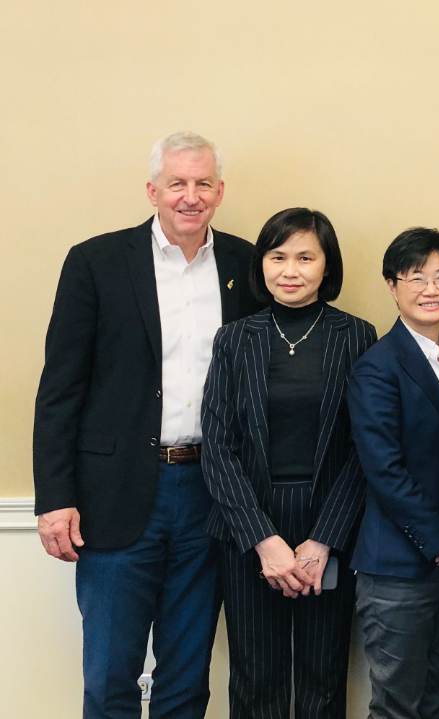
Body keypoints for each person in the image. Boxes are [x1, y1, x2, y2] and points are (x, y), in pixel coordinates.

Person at [32, 131, 260, 719]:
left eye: (203, 183)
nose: (191, 196)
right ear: (153, 190)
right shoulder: (96, 262)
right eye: (177, 183)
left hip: (210, 494)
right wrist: (54, 499)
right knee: (111, 673)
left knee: (187, 675)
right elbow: (60, 390)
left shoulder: (246, 264)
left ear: (220, 191)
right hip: (117, 494)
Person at [201, 207, 376, 718]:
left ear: (327, 265)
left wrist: (324, 539)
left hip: (329, 523)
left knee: (324, 676)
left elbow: (365, 447)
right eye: (278, 257)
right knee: (256, 676)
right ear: (262, 264)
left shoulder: (357, 336)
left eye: (305, 257)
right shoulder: (234, 339)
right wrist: (263, 539)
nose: (290, 270)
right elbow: (218, 447)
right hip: (250, 524)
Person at [347, 228, 439, 719]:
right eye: (416, 277)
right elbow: (384, 469)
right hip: (397, 570)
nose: (431, 289)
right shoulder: (376, 367)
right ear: (392, 286)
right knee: (396, 705)